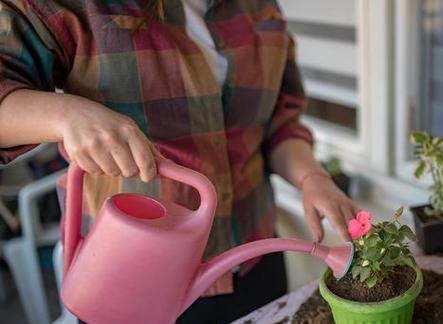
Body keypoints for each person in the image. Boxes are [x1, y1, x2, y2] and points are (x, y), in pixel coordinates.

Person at [0, 0, 358, 322]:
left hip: (252, 257)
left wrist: (312, 177)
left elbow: (277, 122)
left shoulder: (259, 8)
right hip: (131, 275)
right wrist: (66, 116)